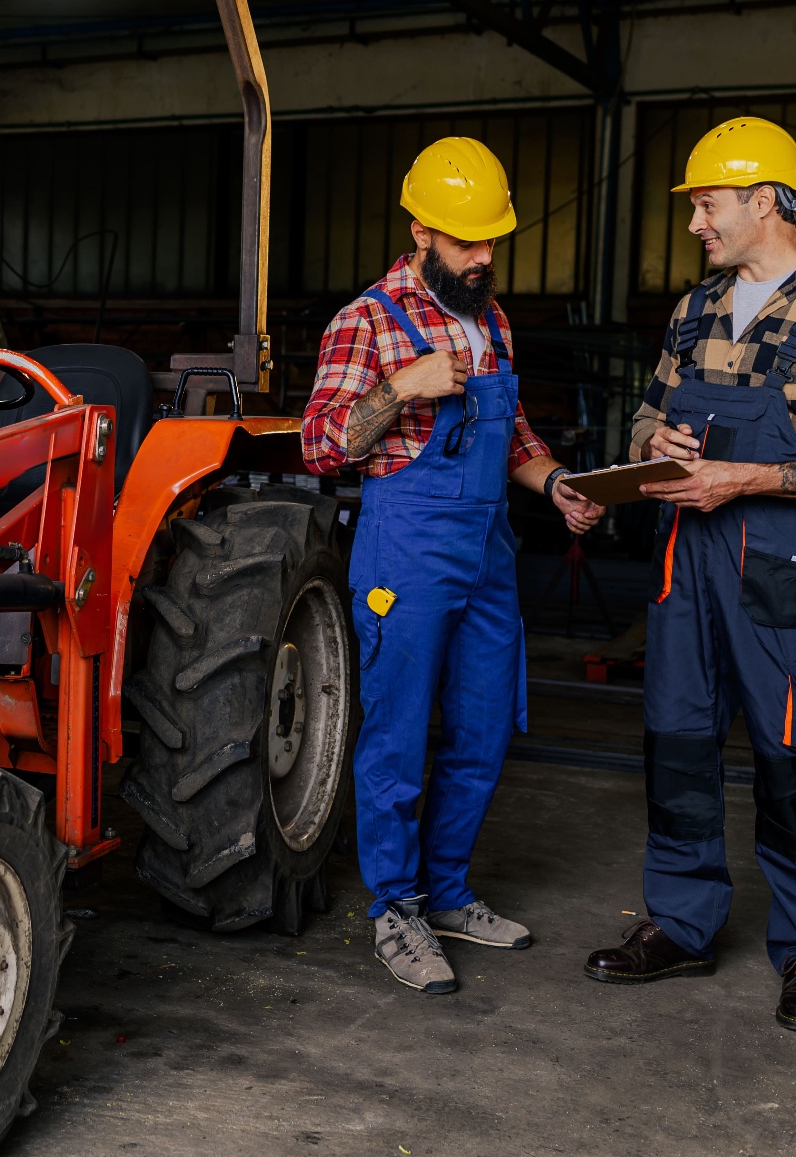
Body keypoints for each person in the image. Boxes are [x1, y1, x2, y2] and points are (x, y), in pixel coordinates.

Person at [583, 117, 796, 1035]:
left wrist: (750, 477)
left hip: (785, 562)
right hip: (688, 559)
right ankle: (682, 922)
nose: (694, 222)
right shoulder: (693, 311)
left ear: (764, 200)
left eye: (706, 203)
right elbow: (644, 419)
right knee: (677, 742)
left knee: (789, 752)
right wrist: (657, 443)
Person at [302, 137, 603, 995]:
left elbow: (510, 434)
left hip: (488, 550)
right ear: (420, 230)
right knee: (397, 735)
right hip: (406, 548)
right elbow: (320, 444)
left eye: (491, 240)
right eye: (467, 241)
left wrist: (557, 484)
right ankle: (395, 906)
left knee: (483, 726)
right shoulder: (366, 320)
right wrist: (402, 388)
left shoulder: (492, 318)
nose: (484, 257)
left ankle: (446, 891)